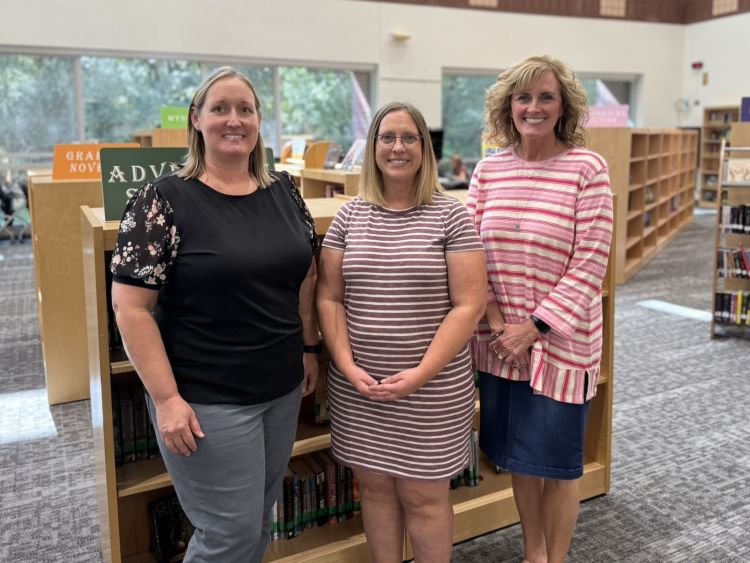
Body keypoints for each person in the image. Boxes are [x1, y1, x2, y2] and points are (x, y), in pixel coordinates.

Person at [110, 66, 319, 563]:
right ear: (196, 119)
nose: (234, 120)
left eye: (245, 109)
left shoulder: (285, 190)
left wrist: (309, 347)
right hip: (207, 399)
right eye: (220, 108)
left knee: (258, 521)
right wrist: (166, 400)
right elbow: (130, 308)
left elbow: (306, 274)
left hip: (281, 388)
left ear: (259, 120)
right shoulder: (161, 200)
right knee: (227, 534)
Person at [317, 101, 486, 563]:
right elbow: (329, 298)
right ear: (373, 147)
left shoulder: (451, 216)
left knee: (423, 497)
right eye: (387, 137)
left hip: (431, 390)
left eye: (409, 138)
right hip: (360, 389)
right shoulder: (349, 217)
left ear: (424, 147)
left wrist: (420, 375)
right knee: (374, 490)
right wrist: (346, 366)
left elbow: (469, 304)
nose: (397, 147)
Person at [467, 55, 613, 563]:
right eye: (523, 97)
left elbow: (590, 262)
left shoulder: (587, 169)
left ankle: (556, 557)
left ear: (563, 106)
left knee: (559, 466)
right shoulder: (489, 170)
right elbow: (470, 253)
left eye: (546, 97)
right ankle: (534, 554)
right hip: (500, 344)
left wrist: (532, 328)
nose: (534, 107)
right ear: (508, 106)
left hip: (561, 347)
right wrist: (495, 323)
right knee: (521, 459)